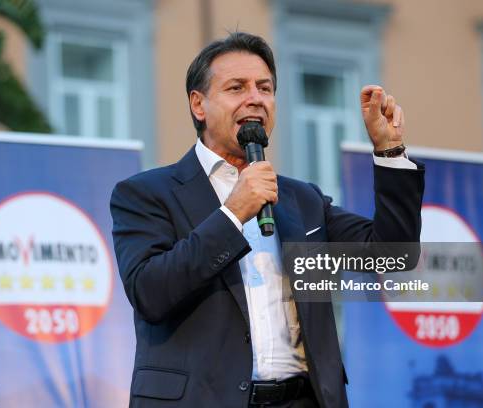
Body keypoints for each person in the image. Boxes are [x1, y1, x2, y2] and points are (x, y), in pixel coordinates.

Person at [110, 32, 424, 408]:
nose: (255, 98)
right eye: (236, 87)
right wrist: (233, 213)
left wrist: (389, 151)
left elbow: (393, 256)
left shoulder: (301, 199)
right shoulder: (146, 193)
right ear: (199, 104)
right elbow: (150, 293)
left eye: (265, 88)